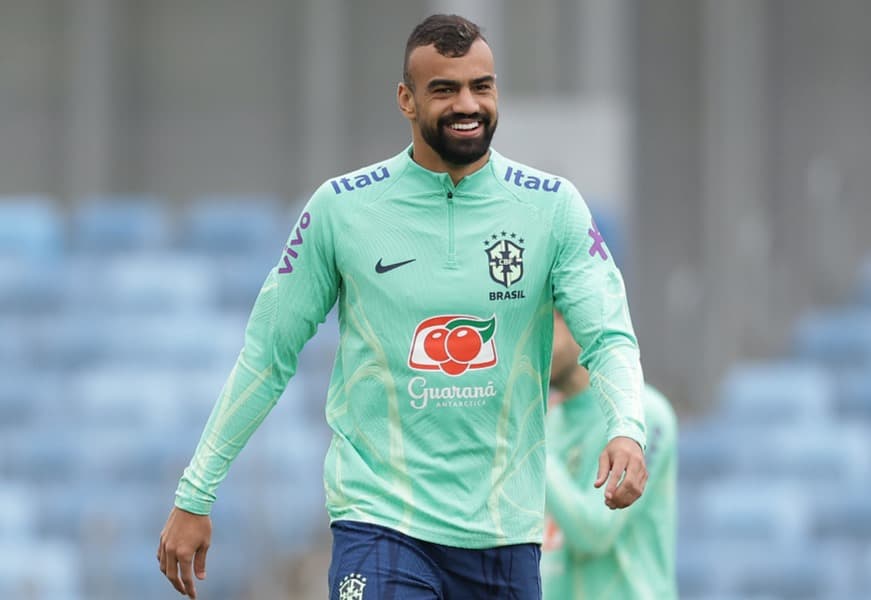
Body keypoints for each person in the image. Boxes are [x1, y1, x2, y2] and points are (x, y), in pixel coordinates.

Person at [158, 13, 648, 600]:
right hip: (381, 522)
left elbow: (608, 336)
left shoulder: (553, 208)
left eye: (481, 86)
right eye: (444, 89)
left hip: (505, 534)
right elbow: (268, 353)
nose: (467, 103)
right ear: (406, 100)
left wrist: (627, 429)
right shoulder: (342, 210)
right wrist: (196, 492)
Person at [543, 310, 678, 600]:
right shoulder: (547, 423)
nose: (528, 341)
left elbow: (594, 532)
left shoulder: (644, 415)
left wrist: (529, 445)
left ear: (578, 318)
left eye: (541, 321)